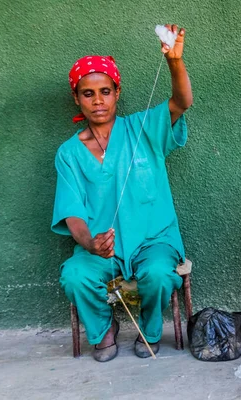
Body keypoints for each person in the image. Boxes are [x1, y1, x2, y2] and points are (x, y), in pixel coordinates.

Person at [51, 24, 192, 362]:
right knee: (75, 274)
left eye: (105, 91)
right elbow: (72, 212)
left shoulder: (142, 128)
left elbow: (182, 102)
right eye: (88, 93)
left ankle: (149, 330)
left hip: (152, 240)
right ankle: (103, 332)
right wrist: (91, 244)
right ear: (77, 98)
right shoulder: (69, 153)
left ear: (117, 92)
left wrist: (174, 62)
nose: (98, 100)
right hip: (104, 248)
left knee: (159, 274)